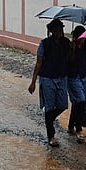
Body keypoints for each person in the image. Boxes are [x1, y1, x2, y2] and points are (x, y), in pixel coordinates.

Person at [28, 18, 71, 147]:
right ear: (51, 31)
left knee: (63, 104)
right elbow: (39, 63)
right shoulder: (44, 44)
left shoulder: (66, 43)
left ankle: (49, 120)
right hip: (47, 78)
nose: (58, 32)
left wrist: (73, 48)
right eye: (55, 30)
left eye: (60, 30)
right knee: (50, 106)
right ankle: (51, 135)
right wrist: (33, 81)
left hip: (62, 77)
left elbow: (69, 60)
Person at [67, 25, 86, 142]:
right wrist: (73, 49)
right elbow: (69, 61)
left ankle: (71, 125)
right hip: (72, 77)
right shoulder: (71, 47)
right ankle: (79, 128)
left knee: (78, 102)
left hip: (83, 76)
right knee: (80, 100)